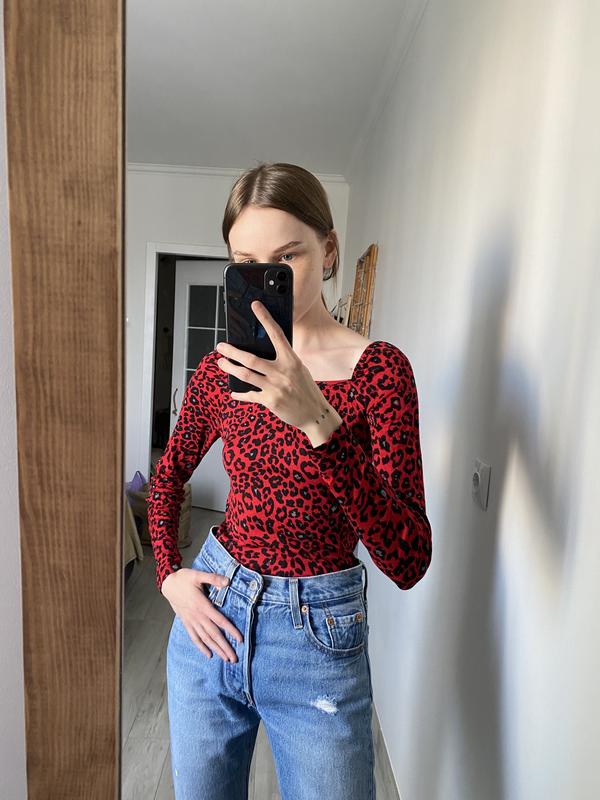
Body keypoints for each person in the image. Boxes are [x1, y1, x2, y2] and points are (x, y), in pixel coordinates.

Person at [146, 162, 433, 800]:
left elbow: (409, 558)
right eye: (245, 263)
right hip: (213, 613)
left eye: (286, 258)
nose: (263, 281)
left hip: (318, 641)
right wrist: (167, 575)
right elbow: (167, 478)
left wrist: (319, 422)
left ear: (328, 250)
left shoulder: (379, 373)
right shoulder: (222, 370)